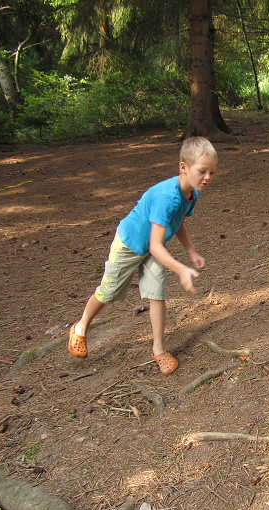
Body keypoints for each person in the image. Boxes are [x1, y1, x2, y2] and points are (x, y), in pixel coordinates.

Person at [67, 136, 217, 375]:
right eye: (202, 171)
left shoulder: (192, 194)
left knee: (156, 294)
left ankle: (158, 349)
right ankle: (81, 326)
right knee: (108, 291)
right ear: (184, 167)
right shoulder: (167, 197)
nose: (207, 177)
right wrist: (180, 269)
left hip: (154, 248)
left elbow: (178, 222)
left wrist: (191, 251)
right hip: (130, 245)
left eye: (212, 173)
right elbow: (156, 245)